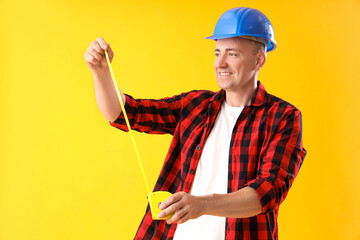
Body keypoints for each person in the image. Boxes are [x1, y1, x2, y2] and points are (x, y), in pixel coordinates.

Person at [84, 7, 307, 240]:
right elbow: (123, 113)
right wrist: (101, 73)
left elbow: (267, 192)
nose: (220, 63)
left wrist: (202, 204)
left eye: (232, 54)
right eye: (217, 53)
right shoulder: (195, 105)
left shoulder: (282, 117)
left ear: (258, 59)